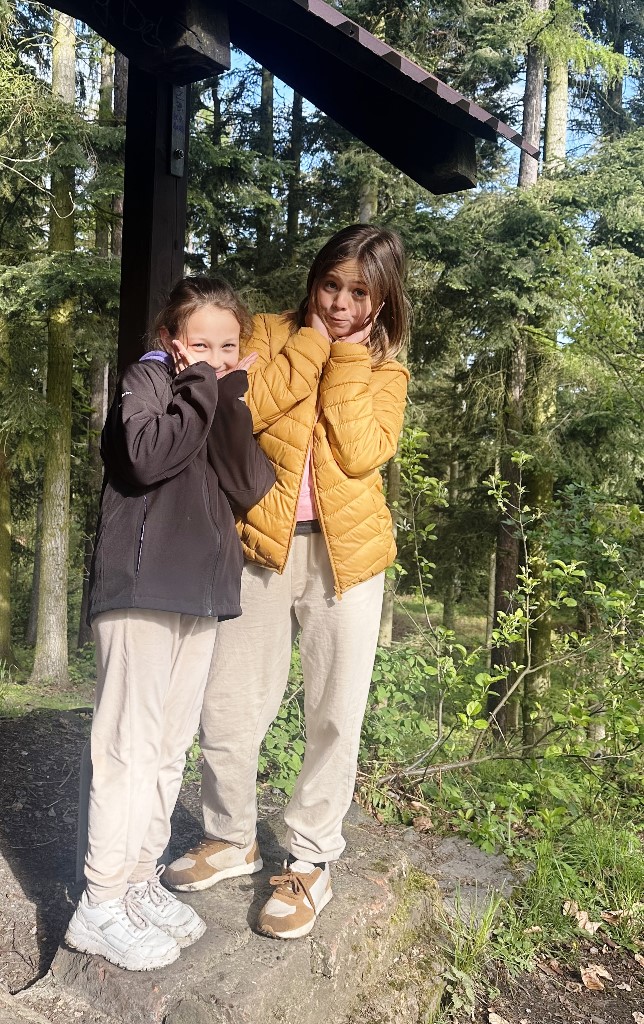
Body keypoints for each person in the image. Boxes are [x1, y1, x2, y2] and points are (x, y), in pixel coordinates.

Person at [164, 225, 410, 940]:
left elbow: (361, 452)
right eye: (332, 284)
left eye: (360, 293)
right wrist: (311, 346)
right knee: (230, 703)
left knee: (335, 711)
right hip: (259, 545)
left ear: (383, 298)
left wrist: (349, 357)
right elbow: (245, 409)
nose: (340, 303)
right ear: (314, 280)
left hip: (347, 559)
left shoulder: (387, 370)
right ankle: (230, 837)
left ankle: (310, 859)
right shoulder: (268, 334)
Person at [64, 277, 275, 971]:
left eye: (229, 345)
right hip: (142, 588)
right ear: (170, 341)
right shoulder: (148, 380)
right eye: (201, 344)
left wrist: (228, 400)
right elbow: (146, 455)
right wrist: (202, 387)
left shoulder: (211, 396)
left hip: (200, 593)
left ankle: (136, 880)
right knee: (127, 747)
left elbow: (251, 485)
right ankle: (99, 903)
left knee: (166, 749)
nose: (216, 357)